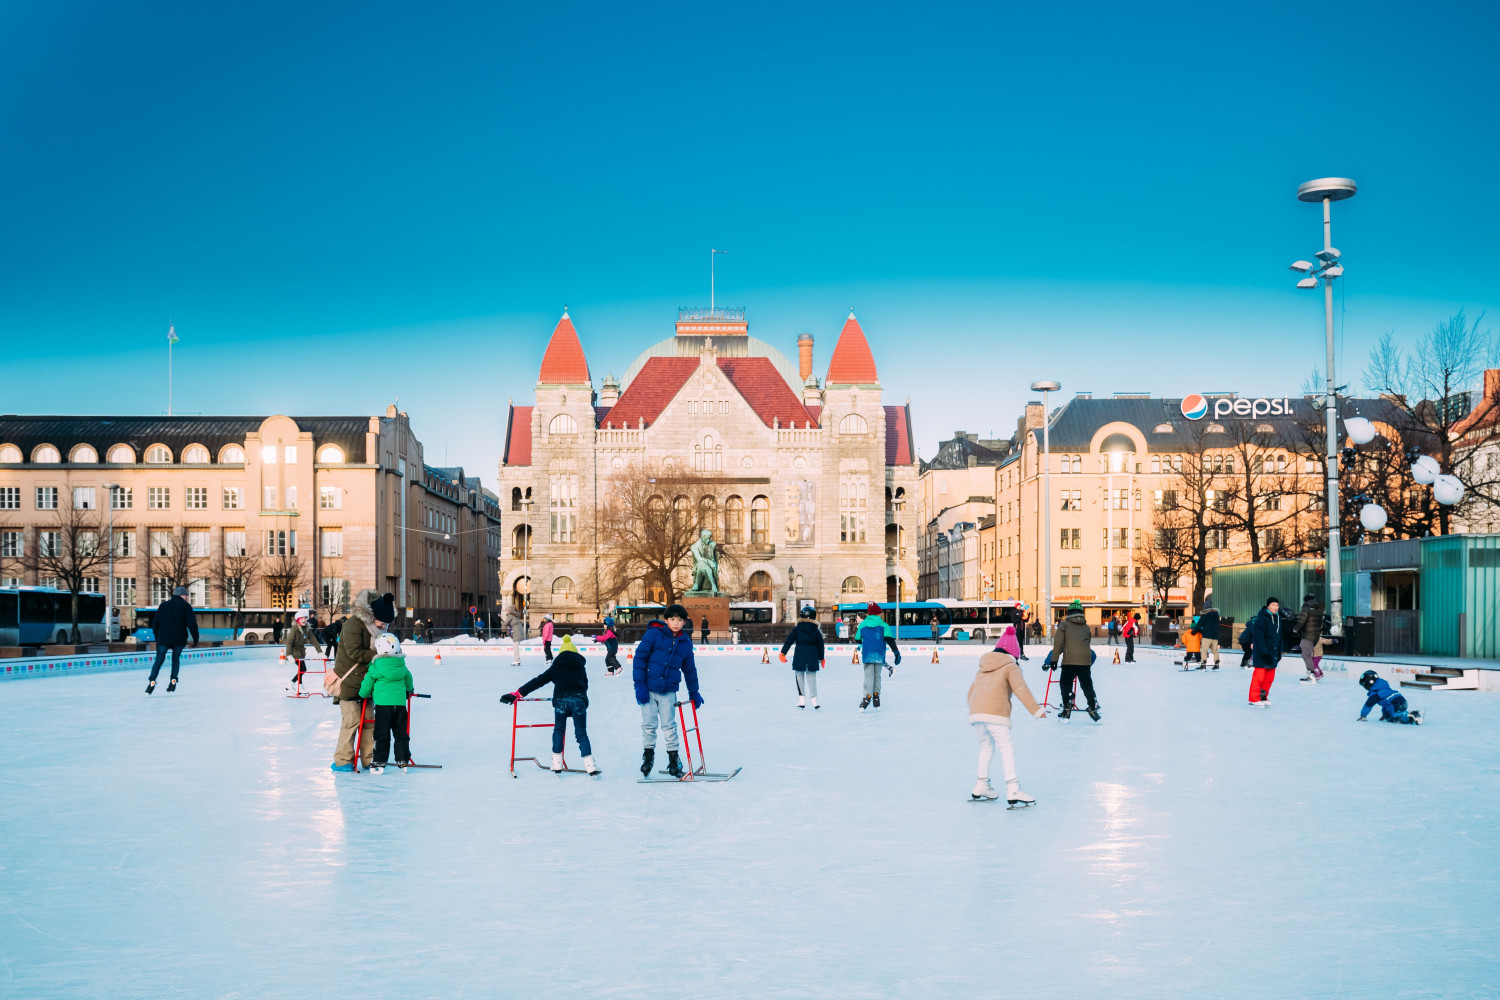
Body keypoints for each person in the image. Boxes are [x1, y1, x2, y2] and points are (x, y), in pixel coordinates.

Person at [969, 628, 1045, 805]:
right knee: (1006, 749)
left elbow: (972, 690)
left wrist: (975, 710)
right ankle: (1013, 790)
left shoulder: (983, 666)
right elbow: (1021, 689)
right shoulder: (1011, 666)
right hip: (995, 713)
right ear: (1014, 653)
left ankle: (981, 785)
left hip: (977, 713)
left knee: (986, 748)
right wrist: (1036, 710)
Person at [503, 634, 599, 774]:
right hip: (579, 702)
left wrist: (517, 694)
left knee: (559, 731)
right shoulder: (580, 668)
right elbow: (585, 686)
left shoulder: (557, 667)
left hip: (561, 702)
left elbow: (538, 681)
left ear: (561, 654)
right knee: (581, 734)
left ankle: (557, 763)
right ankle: (590, 766)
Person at [633, 604, 702, 778]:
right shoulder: (653, 634)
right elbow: (640, 659)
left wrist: (694, 692)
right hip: (648, 689)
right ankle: (648, 757)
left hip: (668, 691)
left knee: (669, 726)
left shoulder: (685, 642)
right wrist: (639, 685)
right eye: (672, 619)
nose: (676, 623)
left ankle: (673, 760)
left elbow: (690, 670)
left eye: (680, 620)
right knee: (648, 725)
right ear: (666, 620)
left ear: (685, 622)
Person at [330, 589, 389, 771]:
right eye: (382, 623)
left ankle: (368, 759)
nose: (384, 627)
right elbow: (354, 653)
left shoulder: (378, 628)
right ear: (372, 616)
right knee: (352, 721)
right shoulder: (354, 624)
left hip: (367, 683)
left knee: (369, 722)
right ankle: (343, 760)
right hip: (348, 681)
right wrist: (380, 654)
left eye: (387, 624)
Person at [357, 632, 415, 770]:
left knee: (382, 733)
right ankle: (402, 758)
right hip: (400, 705)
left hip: (383, 706)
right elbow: (408, 678)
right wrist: (409, 690)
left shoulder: (376, 666)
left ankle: (379, 760)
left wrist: (362, 695)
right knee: (400, 733)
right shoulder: (401, 664)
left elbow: (367, 684)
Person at [1050, 599, 1099, 721]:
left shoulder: (1064, 625)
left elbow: (1058, 644)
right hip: (1084, 661)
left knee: (1065, 683)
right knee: (1087, 684)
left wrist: (1054, 660)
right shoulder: (1086, 627)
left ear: (1069, 612)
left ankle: (1067, 709)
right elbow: (1087, 643)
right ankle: (1092, 708)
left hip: (1069, 661)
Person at [146, 585, 199, 694]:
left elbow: (155, 623)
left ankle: (152, 681)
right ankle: (173, 681)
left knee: (159, 660)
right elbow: (192, 624)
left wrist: (157, 635)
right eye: (186, 595)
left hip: (163, 638)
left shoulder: (163, 605)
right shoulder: (186, 606)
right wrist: (195, 638)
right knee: (175, 660)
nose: (187, 598)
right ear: (182, 595)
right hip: (179, 638)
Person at [780, 605, 826, 709]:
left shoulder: (797, 629)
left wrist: (783, 653)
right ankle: (815, 701)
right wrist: (821, 658)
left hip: (799, 656)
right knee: (812, 678)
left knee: (799, 677)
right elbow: (820, 645)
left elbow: (789, 641)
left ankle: (801, 701)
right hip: (812, 657)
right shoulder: (816, 630)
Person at [857, 602, 901, 710]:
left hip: (867, 654)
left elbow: (857, 638)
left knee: (868, 675)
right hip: (879, 654)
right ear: (878, 613)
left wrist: (866, 639)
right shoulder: (884, 625)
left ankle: (867, 697)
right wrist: (896, 653)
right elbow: (890, 640)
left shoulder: (862, 624)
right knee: (877, 676)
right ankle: (876, 696)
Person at [1241, 596, 1284, 707]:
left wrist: (1280, 650)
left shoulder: (1278, 618)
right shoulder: (1262, 618)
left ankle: (1263, 696)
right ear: (1268, 606)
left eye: (1277, 605)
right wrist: (1265, 653)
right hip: (1262, 652)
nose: (1275, 607)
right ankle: (1253, 698)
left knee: (1269, 678)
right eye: (1273, 605)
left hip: (1273, 652)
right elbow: (1259, 638)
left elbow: (1279, 636)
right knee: (1259, 677)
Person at [1358, 670, 1423, 725]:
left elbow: (1368, 705)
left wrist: (1363, 715)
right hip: (1401, 701)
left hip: (1396, 704)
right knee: (1389, 717)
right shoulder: (1383, 688)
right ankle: (1409, 716)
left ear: (1369, 683)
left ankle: (1412, 715)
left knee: (1394, 718)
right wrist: (1384, 714)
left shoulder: (1376, 693)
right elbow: (1386, 704)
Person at [284, 608, 324, 686]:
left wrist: (320, 652)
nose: (304, 620)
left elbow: (314, 641)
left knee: (302, 670)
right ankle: (290, 685)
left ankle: (299, 686)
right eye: (302, 618)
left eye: (305, 618)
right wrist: (289, 655)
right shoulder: (294, 629)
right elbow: (289, 642)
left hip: (301, 653)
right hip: (293, 653)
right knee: (303, 669)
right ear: (298, 620)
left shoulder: (307, 629)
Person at [1294, 593, 1326, 683]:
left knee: (1305, 655)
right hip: (1315, 636)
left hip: (1307, 635)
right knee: (1309, 655)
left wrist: (1295, 629)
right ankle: (1311, 673)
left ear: (1306, 600)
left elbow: (1301, 620)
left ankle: (1311, 673)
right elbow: (1320, 623)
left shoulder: (1306, 608)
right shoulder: (1319, 609)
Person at [1198, 601, 1222, 669]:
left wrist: (1194, 631)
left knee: (1204, 650)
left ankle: (1203, 664)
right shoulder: (1216, 615)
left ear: (1205, 607)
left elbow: (1200, 624)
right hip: (1215, 636)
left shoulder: (1205, 615)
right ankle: (1216, 664)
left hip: (1206, 636)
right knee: (1215, 650)